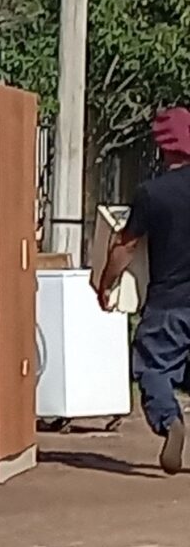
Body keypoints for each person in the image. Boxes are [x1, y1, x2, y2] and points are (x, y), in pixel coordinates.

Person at [98, 107, 190, 471]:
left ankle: (170, 422)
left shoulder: (152, 193)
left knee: (153, 367)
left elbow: (127, 246)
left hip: (169, 304)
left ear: (162, 146)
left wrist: (104, 284)